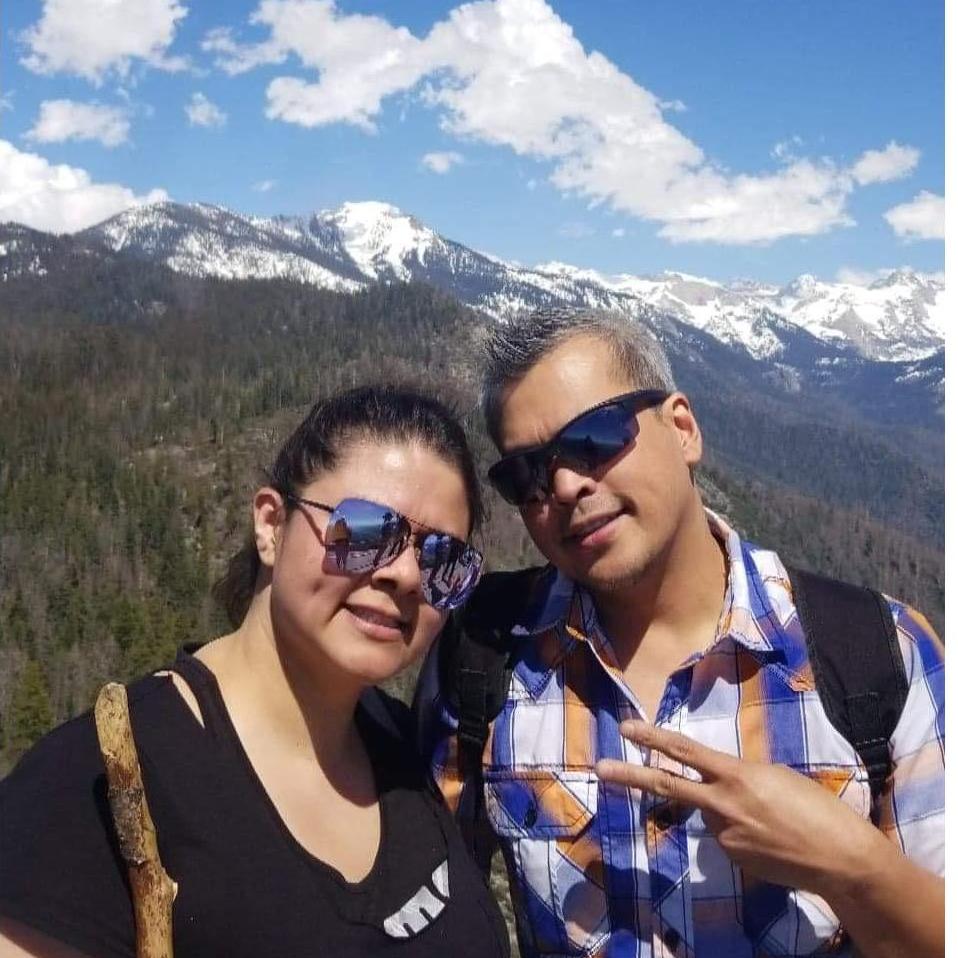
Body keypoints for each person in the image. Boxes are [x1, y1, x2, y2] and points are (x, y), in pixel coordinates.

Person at [418, 308, 944, 958]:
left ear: (684, 430)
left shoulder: (879, 654)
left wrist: (854, 866)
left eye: (594, 438)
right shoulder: (485, 658)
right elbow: (427, 909)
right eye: (527, 474)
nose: (566, 484)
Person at [0, 385, 509, 958]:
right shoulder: (95, 782)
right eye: (367, 531)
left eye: (442, 559)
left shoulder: (399, 745)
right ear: (271, 525)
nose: (407, 576)